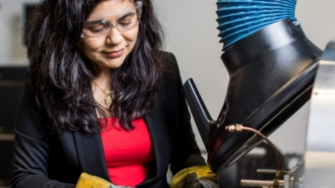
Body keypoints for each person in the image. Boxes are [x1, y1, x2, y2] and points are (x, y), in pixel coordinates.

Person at [11, 0, 218, 187]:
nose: (116, 39)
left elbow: (185, 154)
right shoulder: (46, 82)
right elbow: (26, 178)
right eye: (96, 28)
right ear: (69, 29)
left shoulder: (164, 69)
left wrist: (200, 179)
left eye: (126, 21)